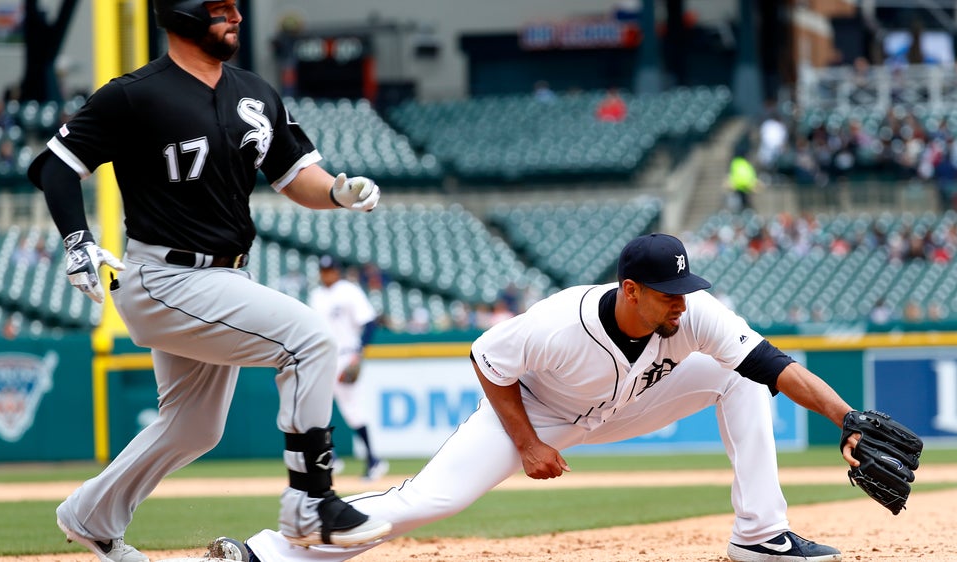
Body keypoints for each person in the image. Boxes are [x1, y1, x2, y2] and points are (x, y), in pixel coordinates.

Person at [234, 233, 868, 562]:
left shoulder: (692, 313)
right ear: (630, 290)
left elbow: (775, 366)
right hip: (535, 411)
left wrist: (847, 418)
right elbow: (486, 359)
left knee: (740, 375)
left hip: (621, 406)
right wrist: (528, 442)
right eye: (668, 293)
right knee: (432, 500)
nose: (682, 302)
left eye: (684, 290)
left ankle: (761, 534)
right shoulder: (561, 322)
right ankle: (272, 551)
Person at [26, 2, 391, 561]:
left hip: (222, 276)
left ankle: (90, 517)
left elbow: (296, 175)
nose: (236, 16)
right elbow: (57, 165)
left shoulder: (255, 91)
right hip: (164, 277)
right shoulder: (134, 95)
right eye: (220, 9)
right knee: (311, 340)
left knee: (194, 427)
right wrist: (77, 240)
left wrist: (337, 192)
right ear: (182, 14)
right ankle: (310, 501)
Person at [308, 255, 389, 481]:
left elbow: (369, 323)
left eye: (330, 270)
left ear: (337, 271)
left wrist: (359, 354)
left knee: (352, 411)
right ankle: (331, 457)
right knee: (314, 408)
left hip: (346, 356)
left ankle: (374, 460)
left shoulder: (349, 291)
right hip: (324, 358)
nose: (327, 274)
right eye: (323, 270)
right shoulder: (316, 295)